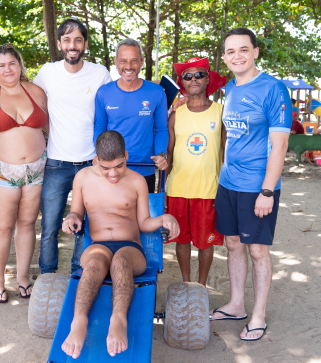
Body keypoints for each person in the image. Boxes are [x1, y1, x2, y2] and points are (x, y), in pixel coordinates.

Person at [60, 131, 179, 359]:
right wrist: (72, 218)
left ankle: (118, 319)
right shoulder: (83, 178)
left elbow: (144, 223)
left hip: (130, 248)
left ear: (126, 155)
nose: (113, 173)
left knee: (120, 262)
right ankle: (79, 321)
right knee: (94, 263)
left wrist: (165, 218)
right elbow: (76, 211)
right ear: (96, 160)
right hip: (97, 244)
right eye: (105, 167)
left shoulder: (136, 181)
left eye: (119, 165)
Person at [210, 28, 292, 342]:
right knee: (232, 245)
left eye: (243, 49)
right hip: (228, 183)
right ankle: (236, 304)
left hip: (258, 186)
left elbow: (280, 145)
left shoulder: (273, 89)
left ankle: (258, 315)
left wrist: (267, 191)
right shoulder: (230, 88)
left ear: (255, 52)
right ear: (225, 57)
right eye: (231, 51)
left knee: (257, 250)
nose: (237, 56)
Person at [0, 44, 48, 303]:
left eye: (12, 63)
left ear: (20, 64)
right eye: (1, 65)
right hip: (3, 171)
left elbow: (51, 127)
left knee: (27, 225)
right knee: (3, 227)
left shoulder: (37, 92)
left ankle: (24, 278)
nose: (8, 69)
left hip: (36, 169)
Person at [34, 18, 112, 275]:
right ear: (59, 44)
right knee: (50, 226)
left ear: (85, 44)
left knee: (86, 225)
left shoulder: (99, 72)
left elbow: (114, 107)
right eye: (67, 39)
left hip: (90, 162)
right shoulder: (47, 72)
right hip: (57, 162)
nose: (72, 45)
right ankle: (47, 277)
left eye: (78, 39)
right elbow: (28, 97)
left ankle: (79, 276)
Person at [166, 56, 227, 285]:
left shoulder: (221, 112)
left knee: (205, 242)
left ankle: (200, 287)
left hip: (209, 189)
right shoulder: (175, 114)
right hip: (178, 188)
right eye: (187, 76)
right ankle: (185, 284)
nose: (193, 79)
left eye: (199, 74)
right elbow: (169, 153)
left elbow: (225, 152)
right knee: (182, 241)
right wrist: (163, 189)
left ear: (207, 78)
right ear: (182, 82)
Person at [93, 38, 168, 192]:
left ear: (141, 61)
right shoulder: (104, 93)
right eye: (123, 61)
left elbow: (161, 129)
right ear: (116, 62)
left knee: (142, 216)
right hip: (111, 169)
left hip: (144, 168)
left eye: (134, 61)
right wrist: (99, 153)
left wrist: (161, 153)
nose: (128, 66)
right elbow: (99, 127)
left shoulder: (156, 92)